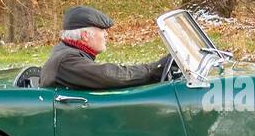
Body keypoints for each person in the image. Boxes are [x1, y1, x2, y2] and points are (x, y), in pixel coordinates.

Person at [39, 5, 171, 90]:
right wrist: (154, 69)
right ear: (85, 35)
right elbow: (107, 75)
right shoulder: (66, 60)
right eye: (102, 30)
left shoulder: (66, 52)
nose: (106, 35)